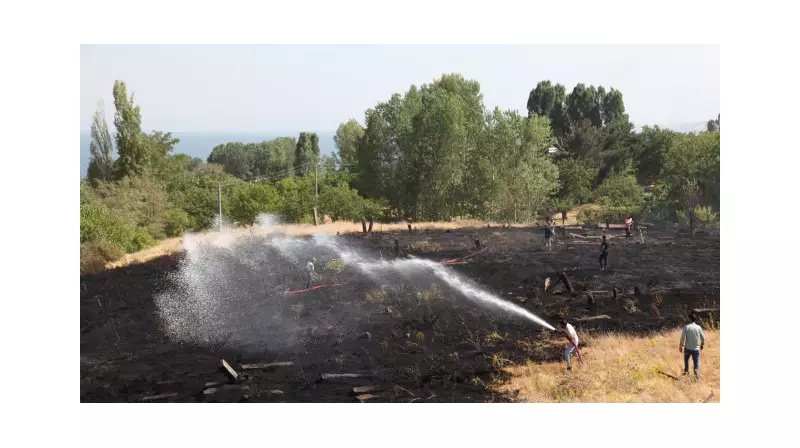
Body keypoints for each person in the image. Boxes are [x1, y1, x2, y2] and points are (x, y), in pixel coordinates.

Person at [679, 313, 706, 380]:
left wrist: (681, 345)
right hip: (696, 349)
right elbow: (703, 337)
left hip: (687, 348)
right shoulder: (698, 327)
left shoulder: (686, 327)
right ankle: (696, 377)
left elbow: (682, 338)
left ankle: (686, 373)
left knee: (686, 361)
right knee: (696, 363)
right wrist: (702, 344)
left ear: (689, 319)